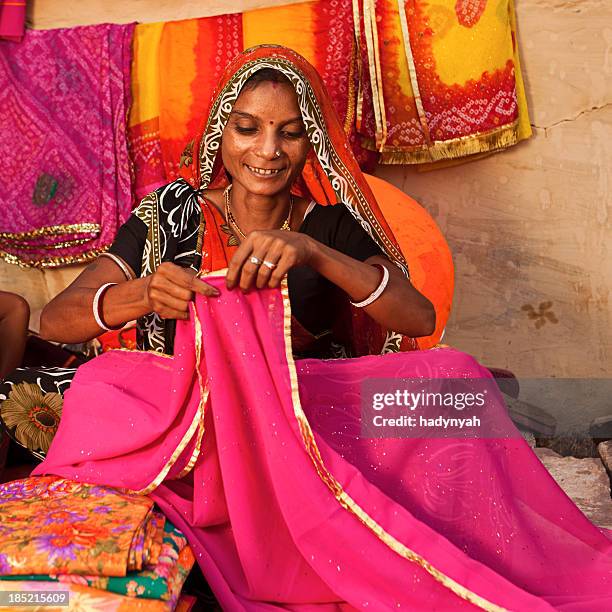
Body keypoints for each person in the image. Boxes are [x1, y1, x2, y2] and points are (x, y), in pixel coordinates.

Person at [5, 46, 612, 610]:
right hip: (192, 413)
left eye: (288, 132)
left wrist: (314, 254)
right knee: (99, 379)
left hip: (307, 409)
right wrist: (143, 292)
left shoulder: (327, 224)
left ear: (309, 142)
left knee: (455, 383)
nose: (267, 150)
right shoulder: (168, 213)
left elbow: (420, 317)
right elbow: (60, 317)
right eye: (249, 127)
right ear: (222, 131)